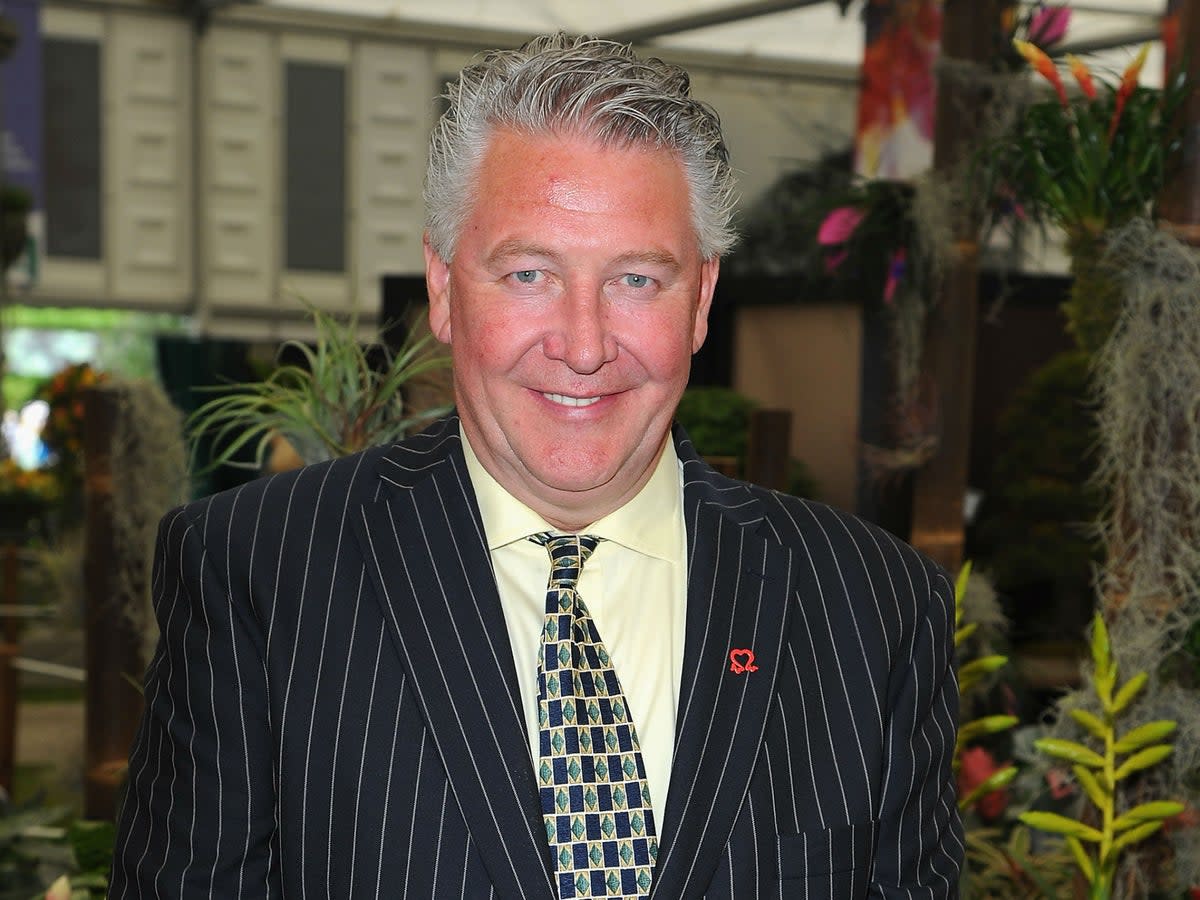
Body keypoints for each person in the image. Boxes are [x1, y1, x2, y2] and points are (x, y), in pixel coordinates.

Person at [110, 33, 963, 899]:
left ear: (701, 300)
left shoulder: (873, 605)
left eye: (636, 280)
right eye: (528, 273)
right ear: (443, 289)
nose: (584, 346)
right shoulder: (259, 571)